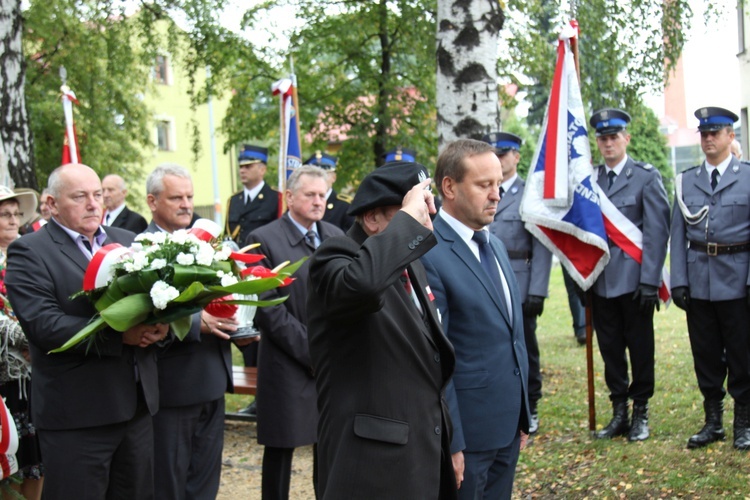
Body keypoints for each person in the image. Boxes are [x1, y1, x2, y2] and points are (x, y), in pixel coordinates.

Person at [5, 163, 168, 499]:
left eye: (98, 194)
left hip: (136, 407)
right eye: (80, 197)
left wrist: (162, 326)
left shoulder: (129, 241)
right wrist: (120, 336)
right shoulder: (30, 251)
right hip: (77, 416)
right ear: (51, 204)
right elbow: (44, 325)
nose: (94, 204)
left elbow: (154, 302)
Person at [307, 162, 457, 499]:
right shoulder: (335, 256)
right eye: (416, 212)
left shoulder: (407, 262)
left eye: (427, 210)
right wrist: (407, 221)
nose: (425, 222)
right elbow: (361, 286)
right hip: (369, 467)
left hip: (422, 453)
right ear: (373, 218)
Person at [420, 139, 529, 499]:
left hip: (507, 424)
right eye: (484, 185)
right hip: (468, 435)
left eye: (498, 183)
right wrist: (453, 442)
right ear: (449, 187)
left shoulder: (493, 243)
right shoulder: (430, 252)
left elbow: (513, 334)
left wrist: (523, 412)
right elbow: (437, 358)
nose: (496, 194)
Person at [143, 164, 250, 498]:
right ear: (152, 201)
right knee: (170, 484)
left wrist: (241, 324)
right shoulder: (140, 249)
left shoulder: (209, 243)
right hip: (173, 387)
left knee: (205, 484)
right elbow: (144, 311)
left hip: (213, 381)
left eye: (189, 196)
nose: (186, 204)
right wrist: (194, 322)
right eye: (176, 197)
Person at [246, 165, 344, 499]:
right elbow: (269, 309)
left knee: (328, 447)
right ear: (289, 197)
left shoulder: (335, 236)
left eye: (323, 195)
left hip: (332, 364)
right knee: (281, 448)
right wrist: (312, 351)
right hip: (288, 362)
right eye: (310, 195)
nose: (319, 201)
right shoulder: (263, 239)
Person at [587, 108, 670, 442]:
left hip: (635, 281)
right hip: (601, 279)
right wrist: (583, 278)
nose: (608, 143)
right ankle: (619, 411)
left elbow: (656, 232)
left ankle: (640, 412)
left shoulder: (646, 177)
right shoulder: (589, 180)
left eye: (614, 137)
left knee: (639, 347)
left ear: (626, 138)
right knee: (609, 348)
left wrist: (650, 280)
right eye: (603, 138)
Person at [671, 106, 750, 451]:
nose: (707, 139)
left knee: (741, 353)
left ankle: (743, 423)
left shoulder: (747, 176)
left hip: (737, 278)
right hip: (699, 279)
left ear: (731, 136)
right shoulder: (687, 180)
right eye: (703, 134)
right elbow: (677, 234)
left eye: (714, 133)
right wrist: (678, 280)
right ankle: (713, 421)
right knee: (704, 353)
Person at [485, 132, 552, 435]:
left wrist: (537, 290)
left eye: (504, 154)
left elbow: (542, 245)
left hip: (520, 281)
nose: (499, 159)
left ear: (516, 157)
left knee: (525, 347)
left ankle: (531, 404)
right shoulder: (482, 191)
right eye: (494, 154)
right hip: (487, 280)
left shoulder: (530, 194)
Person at [0, 186, 43, 499]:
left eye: (16, 214)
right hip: (7, 374)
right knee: (9, 452)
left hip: (36, 372)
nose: (13, 220)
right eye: (4, 214)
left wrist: (41, 338)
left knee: (36, 457)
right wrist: (30, 337)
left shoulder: (28, 257)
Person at [225, 144, 279, 245]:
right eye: (241, 166)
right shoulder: (234, 200)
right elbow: (227, 235)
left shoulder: (275, 198)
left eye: (248, 166)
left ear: (262, 170)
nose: (242, 171)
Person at [303, 151, 353, 231]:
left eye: (324, 175)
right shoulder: (301, 203)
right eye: (314, 175)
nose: (319, 180)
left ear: (334, 177)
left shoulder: (345, 207)